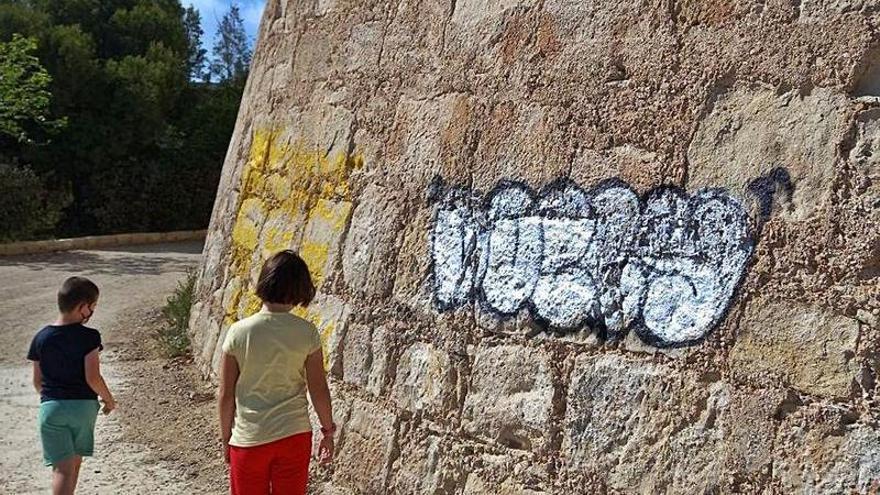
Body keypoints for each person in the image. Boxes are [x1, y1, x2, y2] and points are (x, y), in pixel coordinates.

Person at [219, 250, 335, 495]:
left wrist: (225, 439)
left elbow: (226, 395)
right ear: (301, 288)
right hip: (294, 435)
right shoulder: (307, 332)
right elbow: (318, 388)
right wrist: (328, 430)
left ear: (264, 281)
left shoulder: (238, 333)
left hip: (249, 438)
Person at [27, 276, 117, 495]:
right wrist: (108, 399)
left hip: (53, 408)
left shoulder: (41, 338)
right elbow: (93, 377)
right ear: (82, 307)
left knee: (62, 470)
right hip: (84, 408)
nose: (92, 312)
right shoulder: (90, 337)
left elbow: (37, 382)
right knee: (73, 466)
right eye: (93, 307)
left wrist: (53, 400)